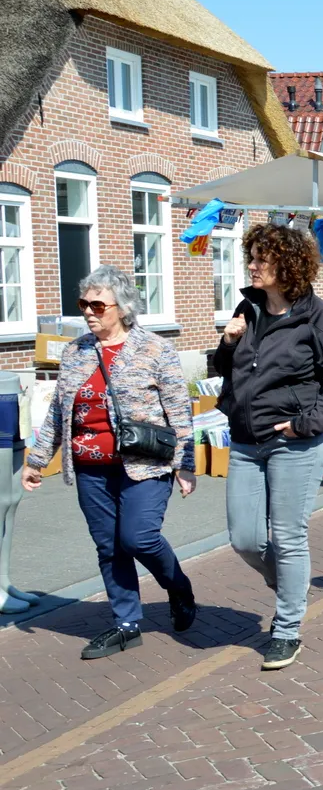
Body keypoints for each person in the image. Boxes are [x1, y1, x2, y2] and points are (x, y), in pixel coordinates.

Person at [22, 266, 197, 660]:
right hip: (90, 467)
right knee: (108, 546)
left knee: (138, 538)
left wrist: (186, 465)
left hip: (145, 466)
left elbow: (180, 412)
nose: (88, 311)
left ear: (122, 307)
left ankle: (178, 588)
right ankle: (126, 623)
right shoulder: (75, 351)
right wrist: (36, 460)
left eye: (97, 304)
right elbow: (58, 413)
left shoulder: (155, 349)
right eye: (84, 303)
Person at [217, 224, 323, 671]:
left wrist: (304, 425)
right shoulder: (248, 308)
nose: (252, 265)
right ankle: (293, 588)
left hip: (294, 442)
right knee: (244, 538)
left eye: (262, 259)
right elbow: (224, 367)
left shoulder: (317, 316)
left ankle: (288, 627)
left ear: (287, 266)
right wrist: (229, 341)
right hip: (244, 439)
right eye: (252, 257)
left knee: (289, 536)